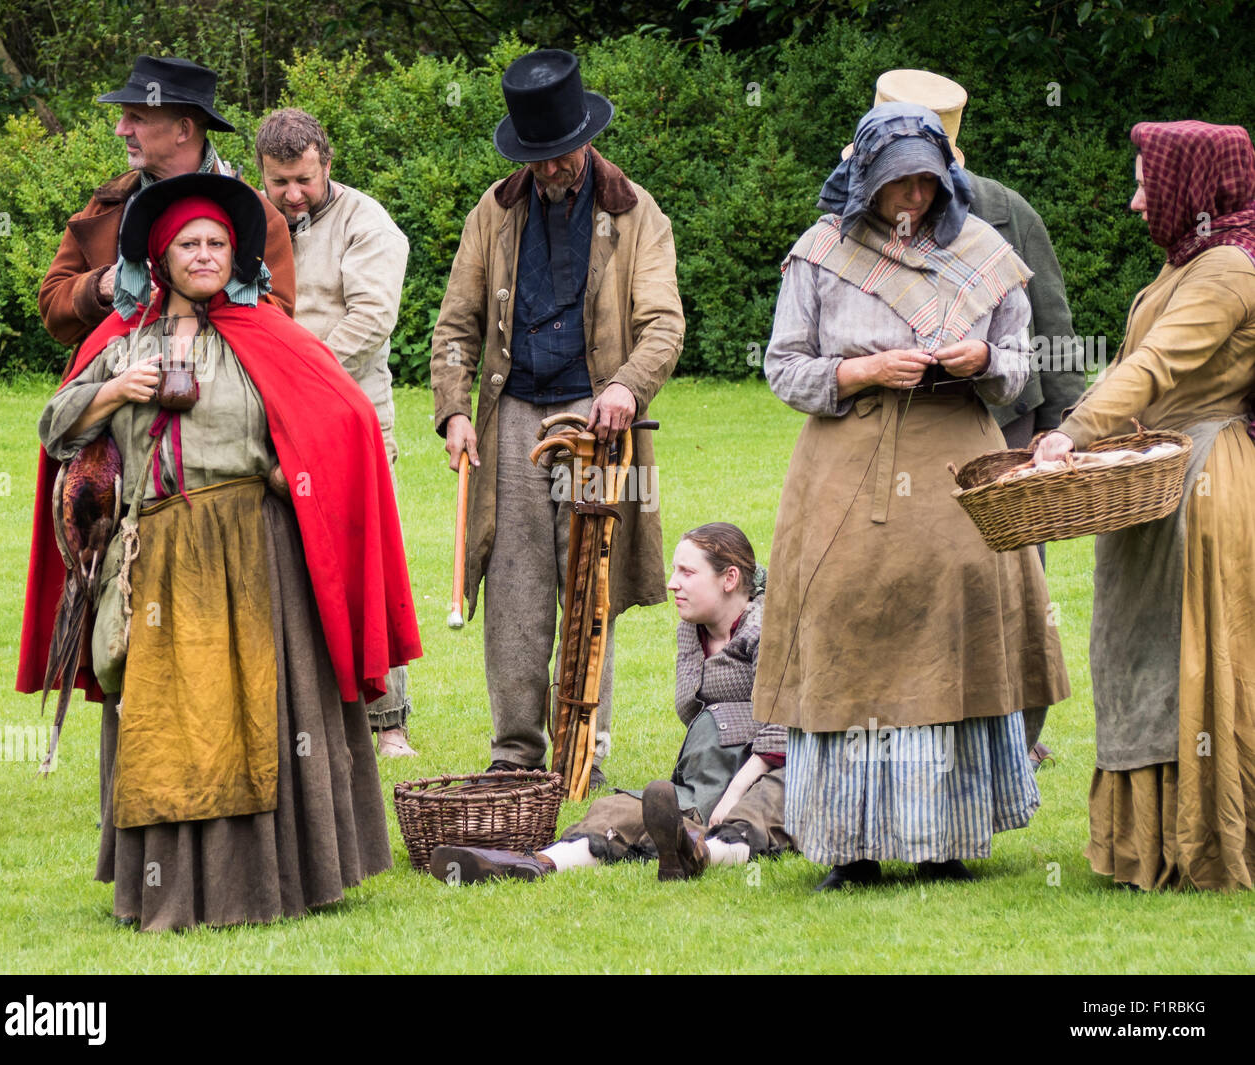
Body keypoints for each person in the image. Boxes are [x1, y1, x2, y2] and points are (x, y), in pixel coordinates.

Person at [18, 173, 421, 930]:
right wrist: (116, 392)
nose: (203, 255)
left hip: (254, 551)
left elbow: (339, 421)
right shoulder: (121, 343)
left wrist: (288, 479)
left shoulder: (265, 335)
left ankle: (277, 881)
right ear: (160, 258)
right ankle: (173, 890)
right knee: (167, 727)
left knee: (267, 719)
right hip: (158, 553)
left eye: (216, 245)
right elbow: (55, 426)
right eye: (187, 245)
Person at [752, 103, 1070, 891]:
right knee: (849, 630)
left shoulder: (983, 253)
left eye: (927, 184)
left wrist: (981, 358)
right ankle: (850, 846)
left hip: (954, 464)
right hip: (846, 468)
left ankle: (945, 838)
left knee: (951, 636)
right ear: (865, 180)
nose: (914, 199)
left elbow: (1022, 364)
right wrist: (859, 371)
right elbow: (783, 365)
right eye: (898, 185)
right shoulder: (822, 253)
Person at [430, 48, 683, 785]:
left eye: (560, 153)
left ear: (586, 137)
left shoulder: (638, 213)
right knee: (513, 585)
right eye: (536, 158)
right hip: (511, 414)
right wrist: (453, 412)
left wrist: (628, 389)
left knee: (589, 581)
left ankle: (583, 751)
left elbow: (664, 325)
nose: (550, 169)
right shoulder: (494, 210)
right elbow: (455, 328)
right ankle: (514, 752)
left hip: (597, 413)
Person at [1032, 121, 1255, 892]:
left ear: (1192, 188)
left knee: (1187, 658)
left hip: (1200, 485)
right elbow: (1136, 367)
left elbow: (1155, 367)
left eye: (1145, 184)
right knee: (1136, 652)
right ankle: (1151, 842)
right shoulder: (1187, 262)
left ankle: (1206, 844)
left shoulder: (1227, 268)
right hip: (1156, 476)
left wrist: (1070, 432)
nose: (1134, 201)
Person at [860, 69, 1086, 766]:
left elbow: (1049, 322)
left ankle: (1018, 739)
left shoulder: (1005, 209)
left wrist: (1063, 419)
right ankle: (921, 725)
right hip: (892, 428)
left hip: (1004, 421)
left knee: (1017, 583)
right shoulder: (852, 210)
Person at [430, 523, 791, 883]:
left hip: (772, 770)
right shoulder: (691, 627)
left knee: (759, 810)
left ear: (729, 578)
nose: (672, 583)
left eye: (687, 572)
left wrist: (734, 791)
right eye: (674, 570)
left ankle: (700, 853)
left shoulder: (770, 628)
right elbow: (692, 711)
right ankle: (535, 863)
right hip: (709, 769)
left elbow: (781, 727)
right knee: (622, 808)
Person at [256, 107, 417, 758]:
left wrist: (296, 375)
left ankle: (390, 723)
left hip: (350, 415)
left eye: (303, 178)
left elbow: (371, 321)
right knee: (280, 565)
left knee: (363, 566)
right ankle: (295, 717)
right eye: (278, 182)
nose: (292, 193)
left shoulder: (367, 223)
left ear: (327, 160)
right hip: (269, 420)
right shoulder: (255, 225)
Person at [38, 55, 296, 361]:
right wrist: (101, 286)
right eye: (123, 117)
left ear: (183, 130)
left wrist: (204, 288)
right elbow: (53, 307)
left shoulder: (258, 217)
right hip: (113, 387)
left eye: (136, 118)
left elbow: (276, 328)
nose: (121, 129)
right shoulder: (108, 202)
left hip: (214, 387)